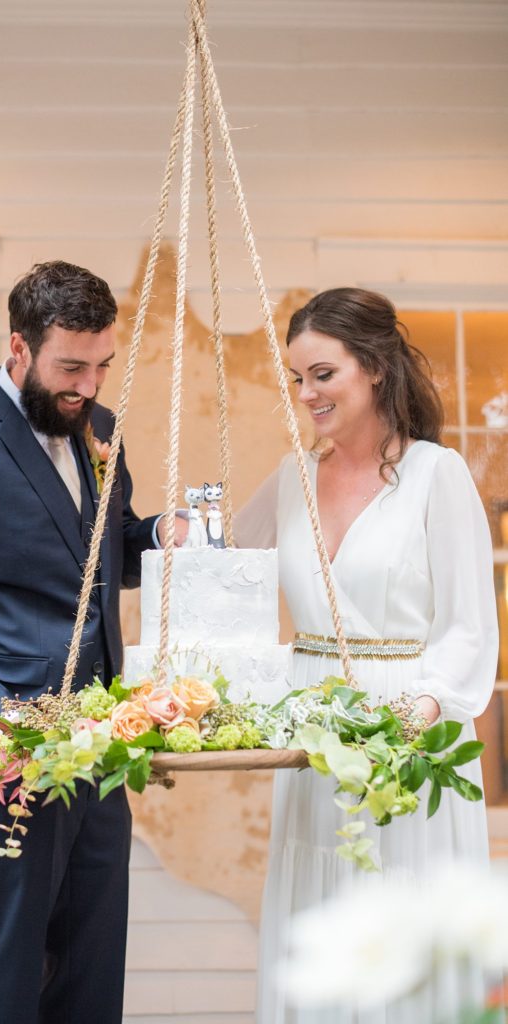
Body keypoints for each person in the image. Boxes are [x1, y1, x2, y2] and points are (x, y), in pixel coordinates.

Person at [0, 260, 185, 1024]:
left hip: (103, 740)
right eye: (71, 368)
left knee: (92, 958)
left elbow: (106, 552)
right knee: (8, 962)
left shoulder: (101, 429)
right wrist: (0, 718)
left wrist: (161, 534)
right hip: (5, 752)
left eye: (101, 366)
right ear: (18, 349)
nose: (89, 386)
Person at [235, 287, 499, 1024]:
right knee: (319, 905)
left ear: (375, 367)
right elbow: (221, 561)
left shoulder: (437, 475)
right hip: (313, 733)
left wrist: (423, 710)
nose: (306, 394)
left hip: (409, 730)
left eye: (323, 374)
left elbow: (469, 627)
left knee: (402, 913)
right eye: (298, 378)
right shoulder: (292, 476)